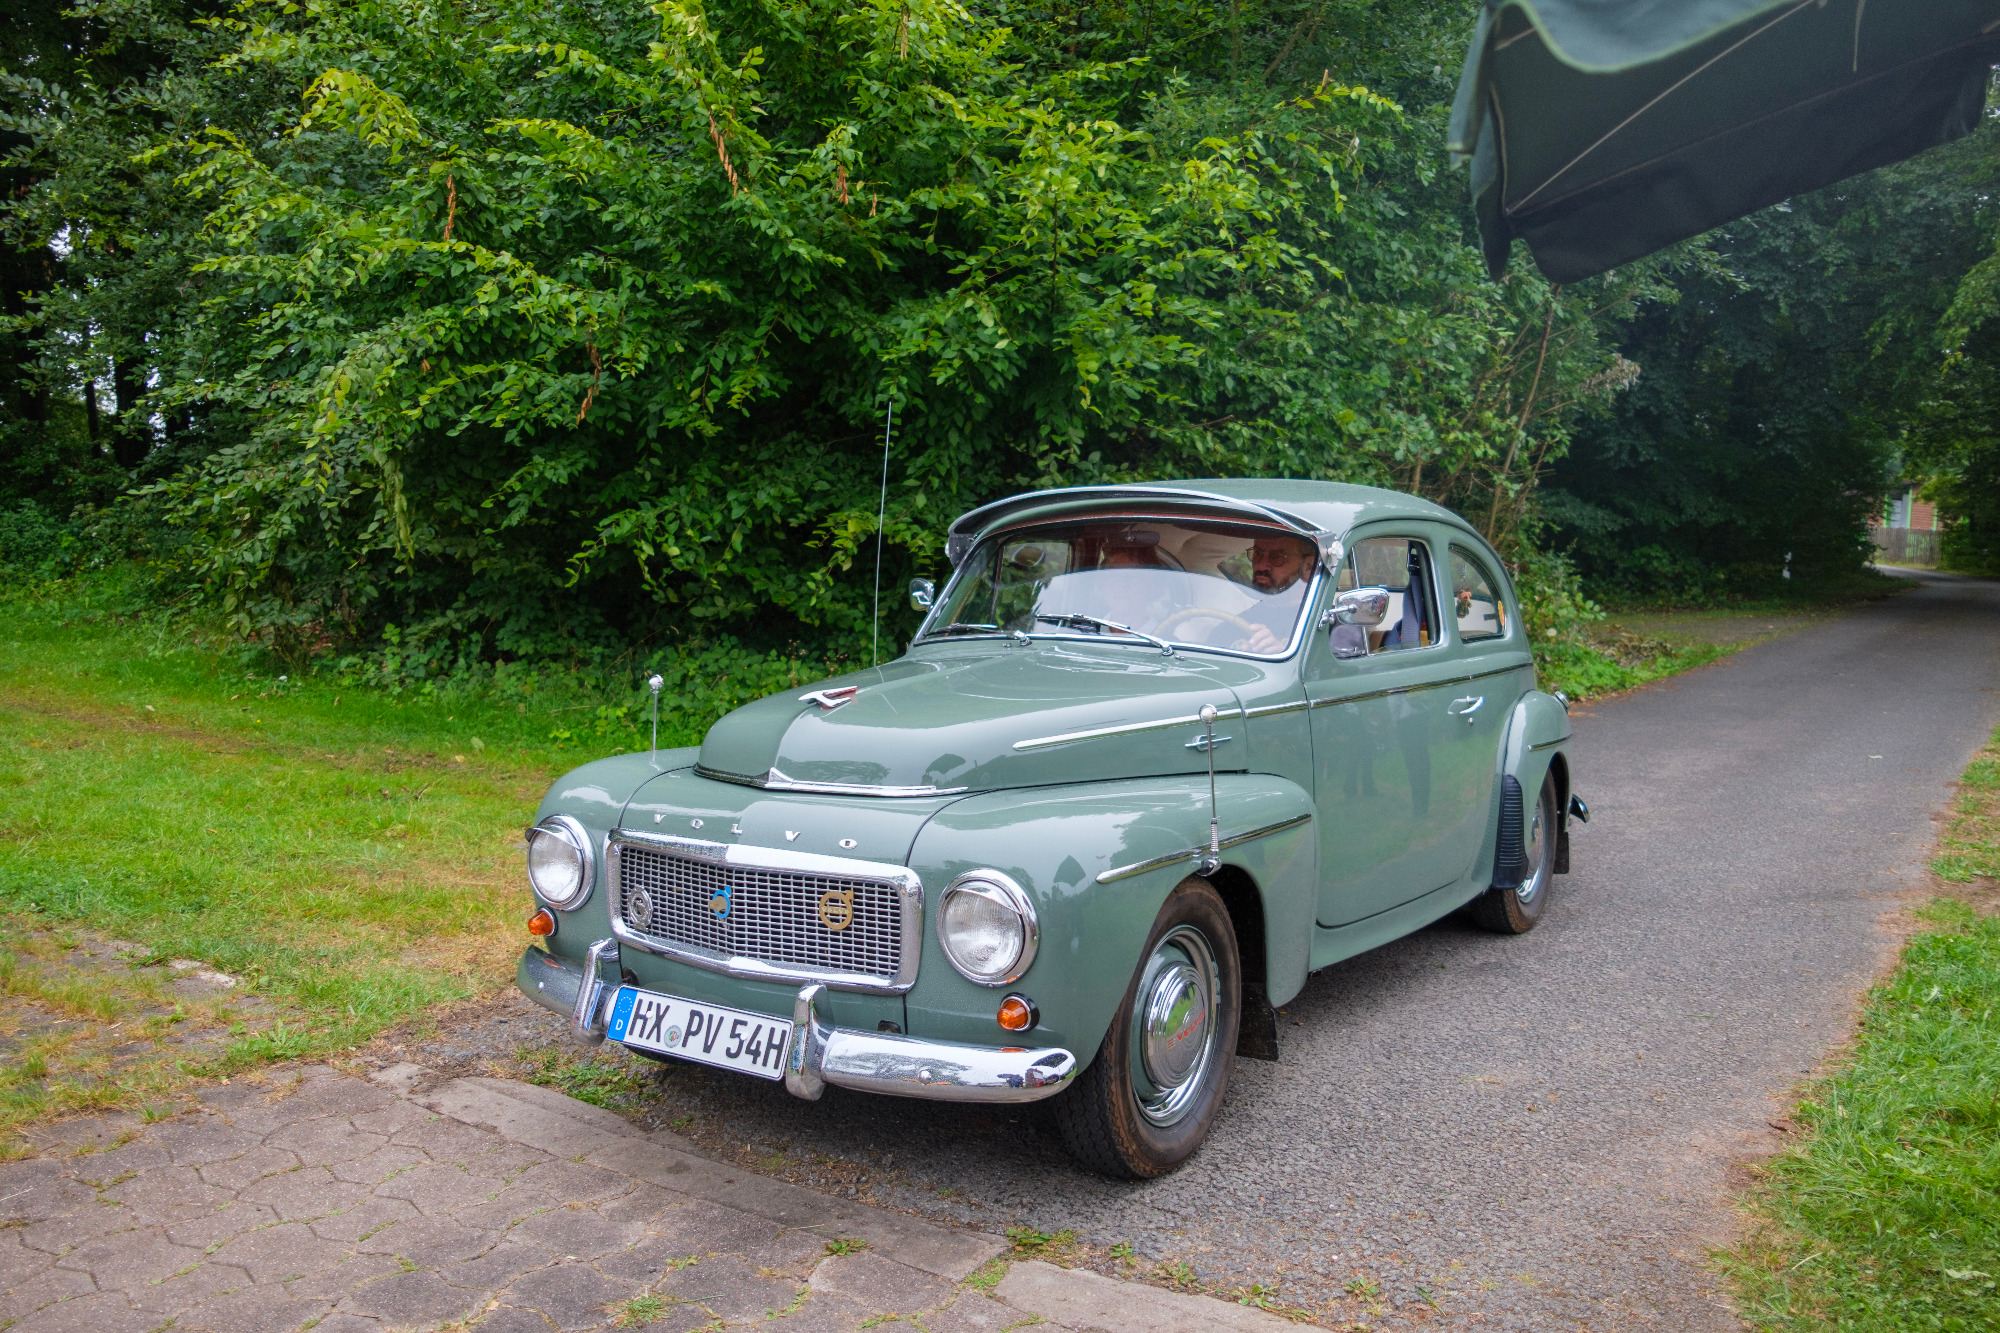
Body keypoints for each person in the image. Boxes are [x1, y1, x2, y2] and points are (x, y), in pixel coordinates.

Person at [1236, 535, 1318, 653]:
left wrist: (1280, 653)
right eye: (1257, 554)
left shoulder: (1325, 626)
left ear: (1308, 567)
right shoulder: (1231, 624)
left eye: (1277, 557)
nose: (1261, 566)